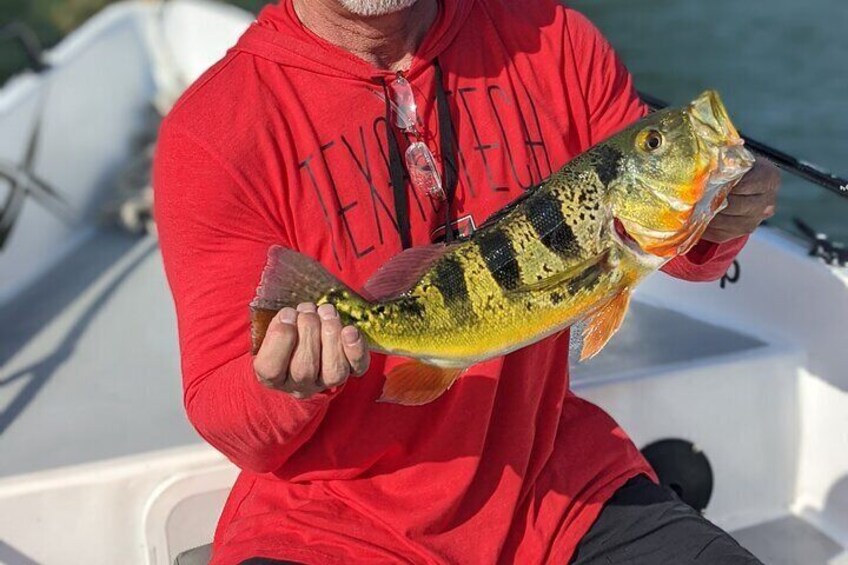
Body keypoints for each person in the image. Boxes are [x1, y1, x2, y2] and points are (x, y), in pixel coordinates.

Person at [153, 1, 780, 563]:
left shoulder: (554, 40)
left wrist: (723, 214)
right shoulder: (214, 132)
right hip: (333, 526)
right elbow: (227, 414)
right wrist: (288, 382)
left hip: (557, 486)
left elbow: (673, 247)